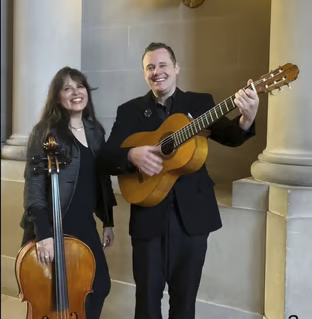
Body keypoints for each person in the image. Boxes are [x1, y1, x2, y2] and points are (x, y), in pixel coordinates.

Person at [101, 42, 259, 319]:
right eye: (150, 67)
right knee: (147, 301)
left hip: (192, 218)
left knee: (184, 301)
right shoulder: (130, 111)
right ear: (144, 74)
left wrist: (247, 118)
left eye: (162, 65)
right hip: (148, 217)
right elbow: (106, 156)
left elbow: (231, 136)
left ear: (176, 67)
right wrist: (131, 155)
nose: (156, 71)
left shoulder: (200, 104)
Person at [20, 66, 117, 319]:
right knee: (51, 295)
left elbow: (102, 180)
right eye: (67, 88)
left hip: (85, 224)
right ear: (58, 97)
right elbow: (34, 185)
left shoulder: (95, 131)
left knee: (98, 286)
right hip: (54, 225)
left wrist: (108, 221)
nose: (76, 92)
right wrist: (43, 233)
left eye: (80, 86)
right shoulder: (45, 131)